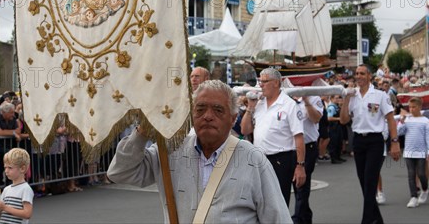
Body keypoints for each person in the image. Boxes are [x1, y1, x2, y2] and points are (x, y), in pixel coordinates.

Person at [108, 80, 292, 223]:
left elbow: (278, 218)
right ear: (191, 114)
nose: (208, 116)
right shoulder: (170, 151)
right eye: (200, 109)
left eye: (218, 110)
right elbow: (120, 172)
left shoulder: (253, 159)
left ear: (233, 118)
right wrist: (142, 132)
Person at [340, 65, 400, 224]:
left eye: (362, 73)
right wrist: (346, 98)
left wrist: (395, 142)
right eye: (357, 74)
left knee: (370, 181)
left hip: (375, 141)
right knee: (363, 181)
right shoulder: (352, 96)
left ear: (369, 76)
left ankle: (366, 220)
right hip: (359, 140)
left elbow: (391, 119)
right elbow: (344, 120)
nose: (358, 76)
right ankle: (378, 219)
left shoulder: (380, 95)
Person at [241, 68, 306, 207]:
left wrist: (300, 166)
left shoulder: (289, 105)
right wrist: (250, 108)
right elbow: (245, 130)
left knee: (278, 204)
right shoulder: (259, 104)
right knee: (259, 203)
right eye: (260, 82)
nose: (261, 85)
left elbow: (299, 137)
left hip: (281, 160)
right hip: (260, 159)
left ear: (276, 83)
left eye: (265, 81)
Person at [397, 97, 429, 208]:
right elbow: (399, 132)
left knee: (421, 174)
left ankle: (425, 189)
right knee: (411, 174)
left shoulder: (426, 121)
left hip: (421, 152)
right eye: (410, 107)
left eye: (414, 107)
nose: (411, 109)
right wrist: (401, 122)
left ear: (419, 107)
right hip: (408, 151)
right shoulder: (407, 120)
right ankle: (413, 197)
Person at [292, 94, 323, 224]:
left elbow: (316, 119)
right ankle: (306, 218)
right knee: (296, 185)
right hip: (291, 148)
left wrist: (306, 100)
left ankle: (297, 219)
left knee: (302, 185)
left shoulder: (314, 97)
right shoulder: (286, 98)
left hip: (308, 146)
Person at [0, 148, 34, 223]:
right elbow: (2, 215)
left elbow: (27, 214)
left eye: (10, 168)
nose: (6, 171)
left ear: (22, 168)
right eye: (5, 167)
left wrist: (4, 207)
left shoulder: (26, 189)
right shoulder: (6, 189)